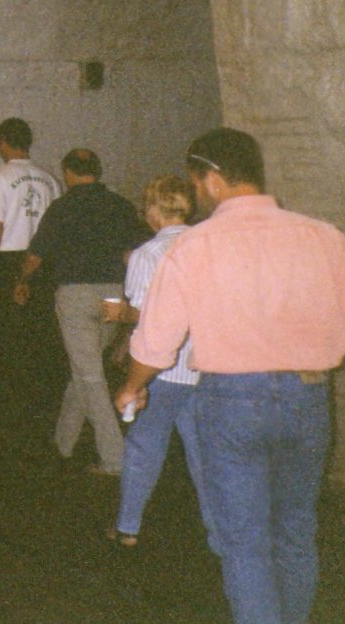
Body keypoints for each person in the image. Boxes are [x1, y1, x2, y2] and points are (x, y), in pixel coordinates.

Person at [118, 127, 345, 624]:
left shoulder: (192, 247)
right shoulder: (324, 237)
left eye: (196, 184)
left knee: (245, 543)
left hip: (230, 403)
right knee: (295, 534)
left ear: (212, 179)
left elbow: (155, 343)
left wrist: (133, 387)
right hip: (307, 399)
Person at [15, 148, 146, 475]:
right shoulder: (120, 205)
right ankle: (63, 442)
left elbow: (35, 255)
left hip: (75, 296)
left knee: (90, 376)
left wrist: (23, 279)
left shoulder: (61, 208)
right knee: (85, 368)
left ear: (68, 173)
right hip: (114, 296)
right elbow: (136, 252)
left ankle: (115, 459)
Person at [102, 175, 213, 548]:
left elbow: (146, 316)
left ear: (152, 209)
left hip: (162, 369)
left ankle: (128, 527)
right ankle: (220, 533)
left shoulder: (147, 254)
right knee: (205, 454)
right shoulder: (206, 245)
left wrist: (120, 315)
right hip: (206, 364)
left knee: (143, 447)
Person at [0, 118, 62, 296]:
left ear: (3, 142)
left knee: (6, 312)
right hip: (42, 261)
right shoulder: (50, 180)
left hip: (9, 261)